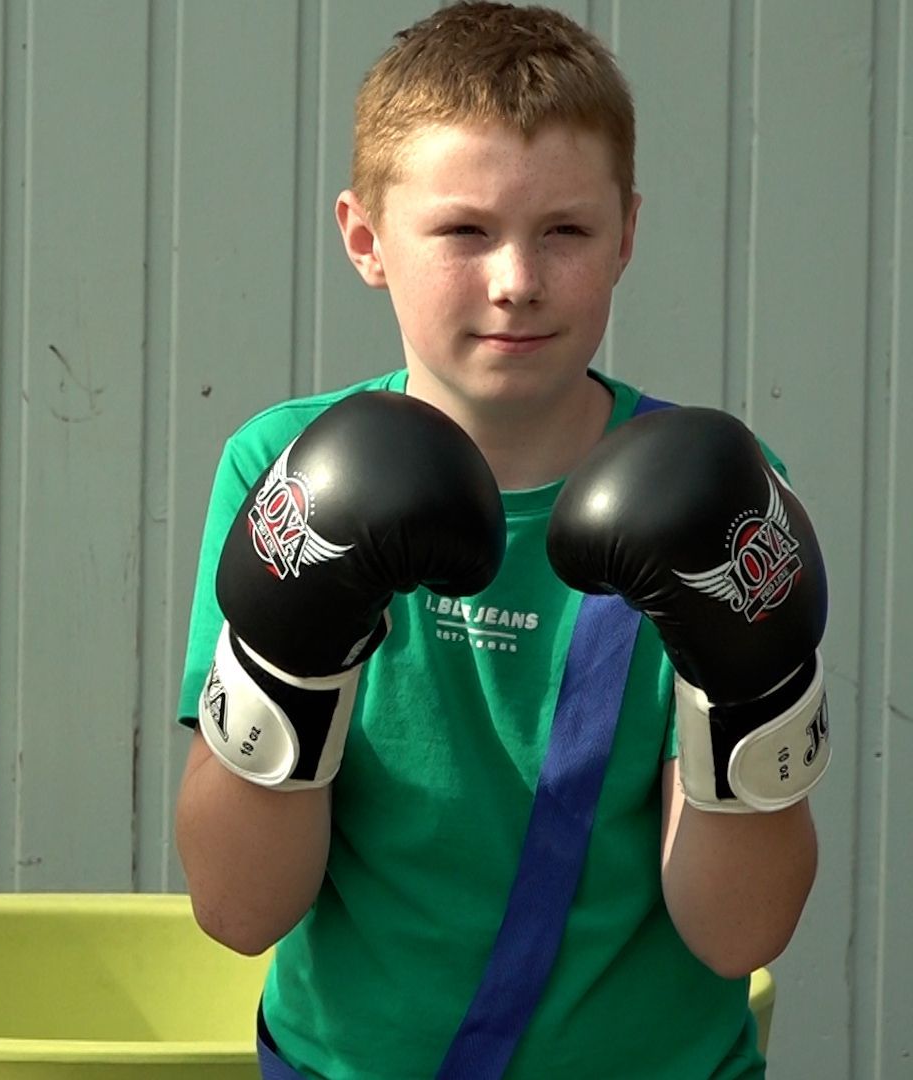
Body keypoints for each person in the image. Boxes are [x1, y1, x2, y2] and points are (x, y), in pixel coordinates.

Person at [173, 5, 829, 1078]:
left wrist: (752, 691)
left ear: (627, 233)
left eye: (564, 230)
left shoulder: (716, 494)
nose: (517, 279)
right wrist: (291, 656)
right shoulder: (283, 467)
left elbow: (740, 933)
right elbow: (240, 908)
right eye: (465, 230)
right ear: (364, 238)